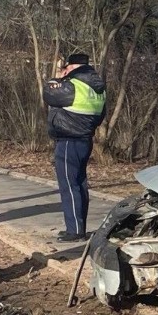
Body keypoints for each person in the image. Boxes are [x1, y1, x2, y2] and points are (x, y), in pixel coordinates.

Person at [43, 53, 106, 242]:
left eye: (66, 68)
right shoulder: (98, 87)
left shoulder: (73, 84)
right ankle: (79, 227)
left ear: (71, 66)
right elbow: (101, 115)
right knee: (80, 184)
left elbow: (49, 93)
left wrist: (59, 76)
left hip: (68, 139)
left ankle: (75, 231)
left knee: (69, 185)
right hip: (85, 139)